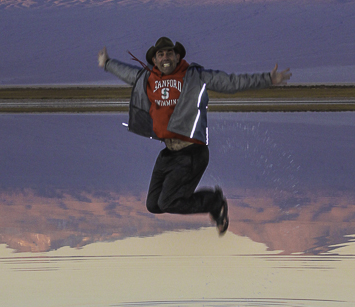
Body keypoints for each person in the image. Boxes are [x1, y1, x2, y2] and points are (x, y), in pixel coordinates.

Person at [98, 37, 291, 235]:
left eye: (169, 53)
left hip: (192, 152)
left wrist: (268, 79)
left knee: (168, 202)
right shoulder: (148, 78)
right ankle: (209, 201)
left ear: (178, 56)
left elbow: (230, 82)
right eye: (160, 54)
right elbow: (127, 73)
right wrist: (107, 63)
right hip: (168, 153)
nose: (165, 58)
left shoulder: (195, 76)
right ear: (154, 61)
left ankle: (213, 201)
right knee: (154, 205)